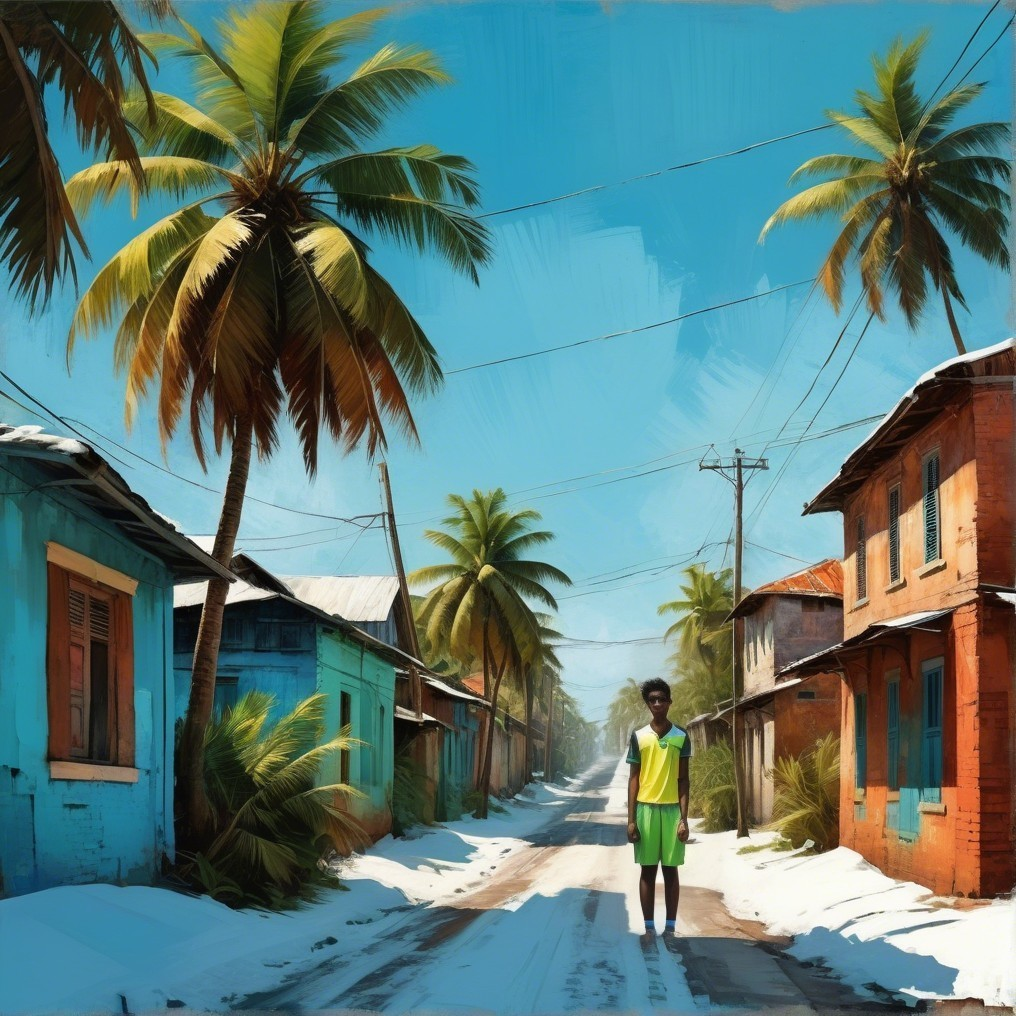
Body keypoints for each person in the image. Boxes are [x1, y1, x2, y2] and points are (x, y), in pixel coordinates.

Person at [626, 677, 691, 937]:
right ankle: (649, 927)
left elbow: (683, 779)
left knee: (671, 870)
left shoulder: (681, 736)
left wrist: (684, 818)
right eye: (652, 700)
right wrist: (631, 820)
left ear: (669, 702)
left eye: (661, 699)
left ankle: (671, 927)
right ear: (647, 704)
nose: (657, 703)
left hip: (672, 810)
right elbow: (634, 779)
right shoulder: (639, 737)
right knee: (648, 870)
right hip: (646, 810)